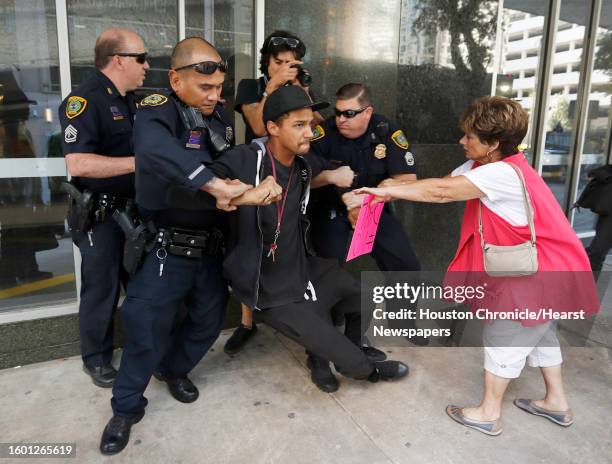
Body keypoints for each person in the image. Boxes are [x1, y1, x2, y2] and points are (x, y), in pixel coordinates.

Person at [356, 96, 599, 436]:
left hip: (536, 272)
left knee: (504, 334)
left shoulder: (503, 173)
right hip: (543, 266)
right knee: (541, 330)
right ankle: (556, 402)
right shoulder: (483, 166)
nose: (461, 141)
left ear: (493, 144)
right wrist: (391, 187)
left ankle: (488, 412)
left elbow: (441, 192)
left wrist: (390, 193)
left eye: (470, 136)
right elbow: (443, 182)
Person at [98, 37, 277, 456]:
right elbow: (158, 154)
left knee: (208, 322)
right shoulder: (156, 112)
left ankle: (173, 369)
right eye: (205, 88)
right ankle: (125, 410)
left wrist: (240, 188)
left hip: (209, 249)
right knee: (144, 329)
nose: (216, 97)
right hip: (167, 248)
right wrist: (214, 183)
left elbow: (225, 170)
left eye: (220, 89)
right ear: (176, 80)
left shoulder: (215, 122)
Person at [210, 84, 408, 391]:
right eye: (299, 125)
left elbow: (328, 169)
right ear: (273, 128)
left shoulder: (303, 163)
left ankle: (353, 348)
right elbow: (195, 187)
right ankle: (362, 367)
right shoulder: (246, 159)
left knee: (364, 297)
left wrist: (337, 183)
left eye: (310, 124)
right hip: (269, 286)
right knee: (354, 367)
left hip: (303, 268)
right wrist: (243, 194)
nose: (308, 133)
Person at [305, 83, 426, 389]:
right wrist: (334, 180)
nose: (341, 118)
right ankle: (321, 350)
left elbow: (407, 178)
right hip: (330, 209)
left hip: (372, 207)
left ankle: (402, 320)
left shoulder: (386, 130)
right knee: (325, 277)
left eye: (350, 113)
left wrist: (370, 198)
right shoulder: (323, 133)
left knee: (406, 263)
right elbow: (304, 177)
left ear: (368, 111)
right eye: (338, 112)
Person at [225, 30, 327, 355]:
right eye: (279, 62)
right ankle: (246, 323)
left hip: (294, 169)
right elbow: (257, 125)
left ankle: (299, 306)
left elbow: (322, 126)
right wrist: (272, 88)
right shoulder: (251, 87)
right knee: (252, 243)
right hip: (256, 172)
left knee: (293, 240)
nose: (285, 68)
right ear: (266, 62)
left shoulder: (299, 87)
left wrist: (303, 92)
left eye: (292, 63)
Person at [58, 28, 149, 388]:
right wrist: (140, 162)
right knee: (102, 287)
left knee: (142, 284)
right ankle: (95, 358)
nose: (146, 66)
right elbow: (78, 164)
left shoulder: (133, 100)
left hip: (134, 212)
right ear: (118, 60)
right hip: (101, 215)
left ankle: (146, 347)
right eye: (141, 58)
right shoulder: (84, 100)